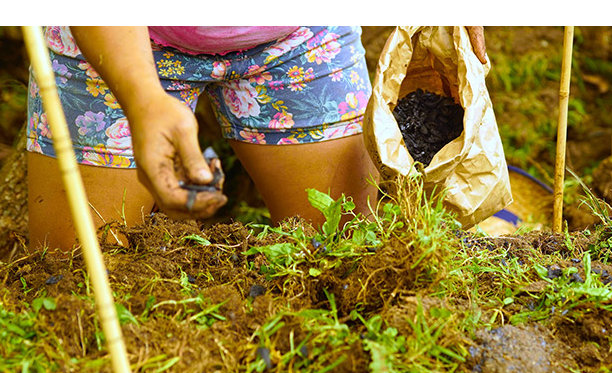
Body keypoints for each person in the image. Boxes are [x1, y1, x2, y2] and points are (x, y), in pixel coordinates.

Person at [25, 26, 486, 251]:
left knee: (348, 253)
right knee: (69, 278)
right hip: (115, 36)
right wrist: (141, 99)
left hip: (296, 36)